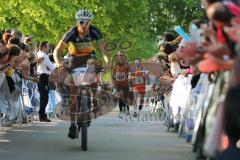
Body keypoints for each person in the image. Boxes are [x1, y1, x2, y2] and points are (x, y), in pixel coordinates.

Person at [53, 10, 109, 139]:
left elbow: (104, 50)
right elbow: (57, 51)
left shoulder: (95, 31)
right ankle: (72, 124)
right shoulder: (72, 32)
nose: (84, 24)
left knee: (94, 80)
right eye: (81, 22)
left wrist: (107, 63)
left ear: (91, 22)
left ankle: (92, 101)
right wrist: (58, 64)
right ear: (77, 22)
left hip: (90, 59)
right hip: (74, 60)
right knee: (73, 91)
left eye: (87, 22)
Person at [37, 41, 55, 122]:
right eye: (47, 47)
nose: (49, 48)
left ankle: (42, 115)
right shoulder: (42, 55)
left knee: (45, 97)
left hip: (45, 76)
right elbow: (51, 66)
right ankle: (42, 115)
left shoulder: (43, 54)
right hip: (43, 76)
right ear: (43, 47)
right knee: (44, 97)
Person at [111, 50, 130, 118]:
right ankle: (121, 110)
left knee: (126, 97)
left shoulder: (127, 64)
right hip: (118, 84)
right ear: (118, 56)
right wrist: (113, 83)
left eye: (122, 55)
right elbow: (113, 75)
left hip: (126, 83)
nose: (121, 56)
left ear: (124, 56)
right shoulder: (115, 64)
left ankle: (127, 109)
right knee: (120, 95)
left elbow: (131, 73)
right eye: (119, 55)